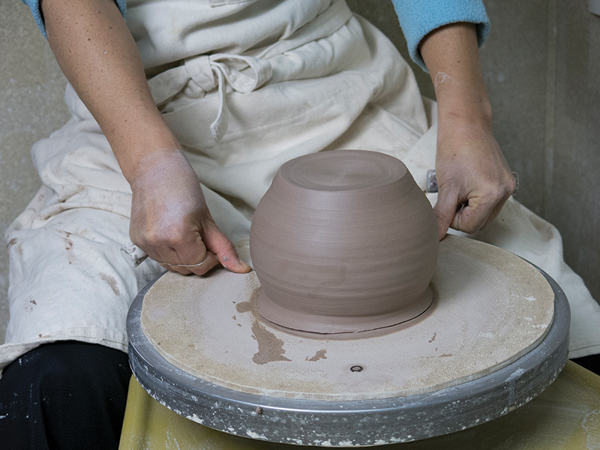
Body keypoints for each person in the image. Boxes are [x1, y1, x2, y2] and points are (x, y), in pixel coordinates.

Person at [1, 0, 599, 448]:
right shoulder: (139, 133)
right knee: (60, 373)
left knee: (564, 330)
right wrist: (148, 160)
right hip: (138, 106)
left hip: (330, 86)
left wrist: (468, 117)